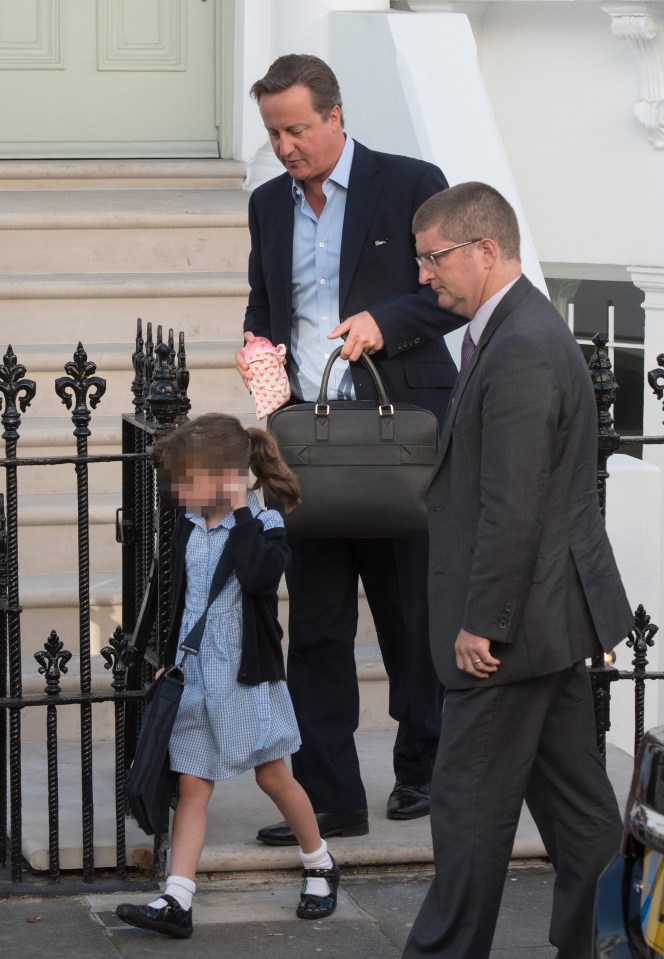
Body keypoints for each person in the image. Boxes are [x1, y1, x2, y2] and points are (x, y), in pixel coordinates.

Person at [235, 53, 465, 843]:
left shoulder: (409, 181)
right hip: (312, 445)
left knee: (411, 615)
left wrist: (385, 321)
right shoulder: (267, 203)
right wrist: (264, 374)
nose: (285, 145)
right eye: (273, 131)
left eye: (297, 128)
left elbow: (452, 295)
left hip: (398, 436)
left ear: (336, 116)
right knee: (320, 627)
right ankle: (329, 796)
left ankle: (422, 768)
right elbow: (265, 307)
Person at [402, 182, 632, 959]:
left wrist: (482, 622)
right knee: (583, 819)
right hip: (546, 622)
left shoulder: (524, 344)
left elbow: (515, 505)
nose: (425, 276)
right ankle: (609, 945)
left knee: (466, 815)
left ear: (485, 250)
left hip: (512, 633)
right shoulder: (513, 332)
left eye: (434, 259)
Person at [115, 413, 340, 939]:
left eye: (189, 480)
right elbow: (179, 601)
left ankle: (320, 865)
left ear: (226, 478)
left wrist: (240, 511)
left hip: (248, 676)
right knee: (192, 785)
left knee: (273, 776)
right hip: (194, 674)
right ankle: (178, 898)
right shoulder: (186, 526)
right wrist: (167, 657)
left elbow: (262, 578)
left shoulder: (265, 522)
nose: (180, 492)